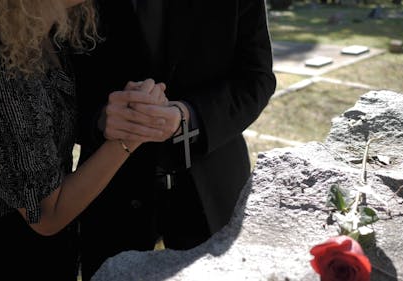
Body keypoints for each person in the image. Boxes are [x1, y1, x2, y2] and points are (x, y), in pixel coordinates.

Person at [0, 1, 166, 280]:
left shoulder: (40, 32)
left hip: (36, 252)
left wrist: (120, 115)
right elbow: (45, 214)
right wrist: (130, 136)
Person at [71, 0, 277, 279]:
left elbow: (256, 78)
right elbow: (55, 82)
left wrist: (189, 116)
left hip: (212, 189)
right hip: (111, 197)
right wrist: (99, 119)